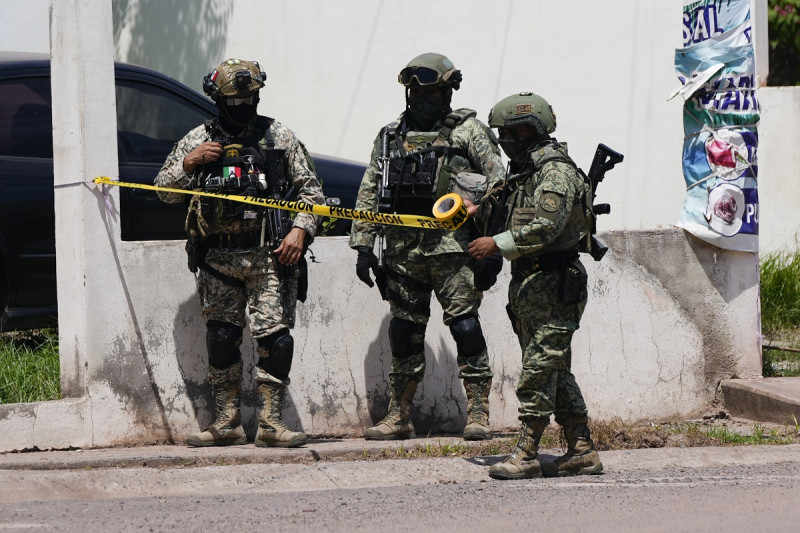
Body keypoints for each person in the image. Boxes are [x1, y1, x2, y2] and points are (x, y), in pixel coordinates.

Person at [155, 58, 325, 448]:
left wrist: (301, 229)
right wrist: (189, 162)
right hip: (218, 260)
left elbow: (312, 193)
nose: (242, 107)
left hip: (270, 256)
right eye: (233, 101)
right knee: (220, 337)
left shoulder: (277, 136)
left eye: (248, 99)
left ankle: (270, 424)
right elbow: (163, 189)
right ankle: (226, 423)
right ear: (217, 99)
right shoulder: (198, 139)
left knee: (276, 340)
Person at [349, 53, 505, 441]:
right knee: (403, 332)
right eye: (415, 92)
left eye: (431, 92)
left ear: (448, 91)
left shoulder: (469, 132)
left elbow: (501, 182)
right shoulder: (389, 137)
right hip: (403, 251)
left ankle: (480, 412)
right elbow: (370, 189)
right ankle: (398, 415)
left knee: (466, 328)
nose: (421, 100)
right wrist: (364, 245)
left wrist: (488, 234)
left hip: (454, 249)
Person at [468, 92, 604, 478]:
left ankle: (526, 452)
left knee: (538, 370)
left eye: (508, 133)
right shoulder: (524, 173)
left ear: (529, 130)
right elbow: (513, 211)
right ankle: (581, 450)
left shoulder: (555, 173)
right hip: (530, 284)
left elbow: (547, 226)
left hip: (555, 283)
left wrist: (498, 243)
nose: (503, 141)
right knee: (555, 370)